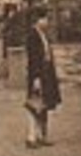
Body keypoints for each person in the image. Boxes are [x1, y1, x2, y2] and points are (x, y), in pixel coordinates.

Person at [23, 10, 61, 148]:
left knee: (44, 105)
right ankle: (31, 137)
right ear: (38, 20)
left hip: (46, 74)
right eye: (45, 19)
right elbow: (33, 59)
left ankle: (42, 136)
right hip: (38, 74)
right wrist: (36, 78)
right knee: (34, 105)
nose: (47, 22)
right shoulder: (32, 36)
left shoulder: (43, 35)